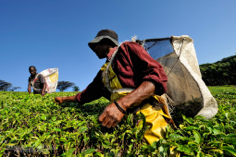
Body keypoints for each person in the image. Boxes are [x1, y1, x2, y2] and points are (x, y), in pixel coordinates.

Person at [54, 29, 174, 145]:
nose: (94, 49)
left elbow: (157, 76)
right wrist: (64, 99)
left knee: (161, 150)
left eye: (96, 45)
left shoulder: (127, 48)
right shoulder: (104, 71)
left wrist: (121, 105)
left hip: (145, 113)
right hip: (120, 120)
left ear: (107, 42)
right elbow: (88, 94)